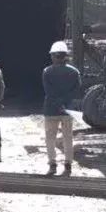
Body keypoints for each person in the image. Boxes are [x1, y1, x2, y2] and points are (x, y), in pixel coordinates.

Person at [43, 41, 82, 176]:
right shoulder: (74, 72)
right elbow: (76, 91)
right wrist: (64, 103)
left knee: (50, 138)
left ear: (54, 56)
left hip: (51, 110)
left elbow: (49, 91)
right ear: (65, 56)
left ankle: (52, 165)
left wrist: (57, 103)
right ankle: (68, 165)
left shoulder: (47, 71)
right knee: (68, 138)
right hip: (67, 110)